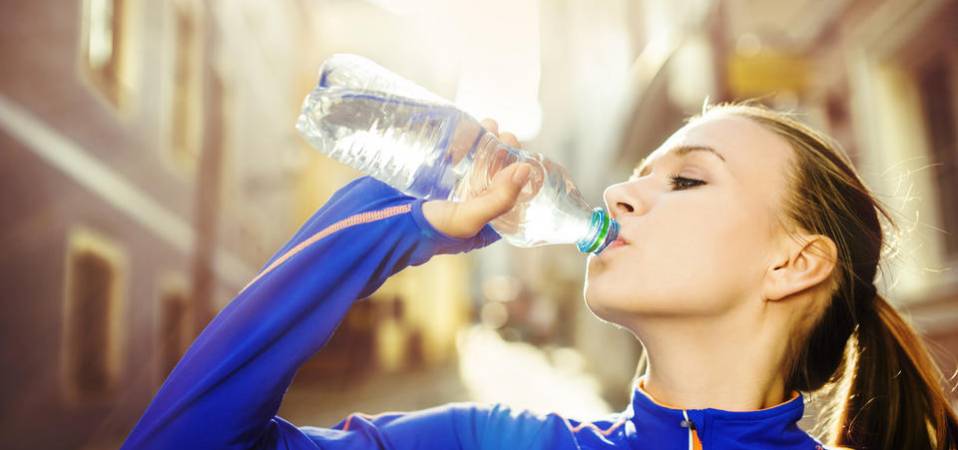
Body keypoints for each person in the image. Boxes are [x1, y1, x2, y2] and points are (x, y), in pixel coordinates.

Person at [120, 103, 958, 450]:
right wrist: (398, 223)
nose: (624, 190)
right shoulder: (492, 442)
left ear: (794, 262)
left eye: (687, 179)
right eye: (639, 171)